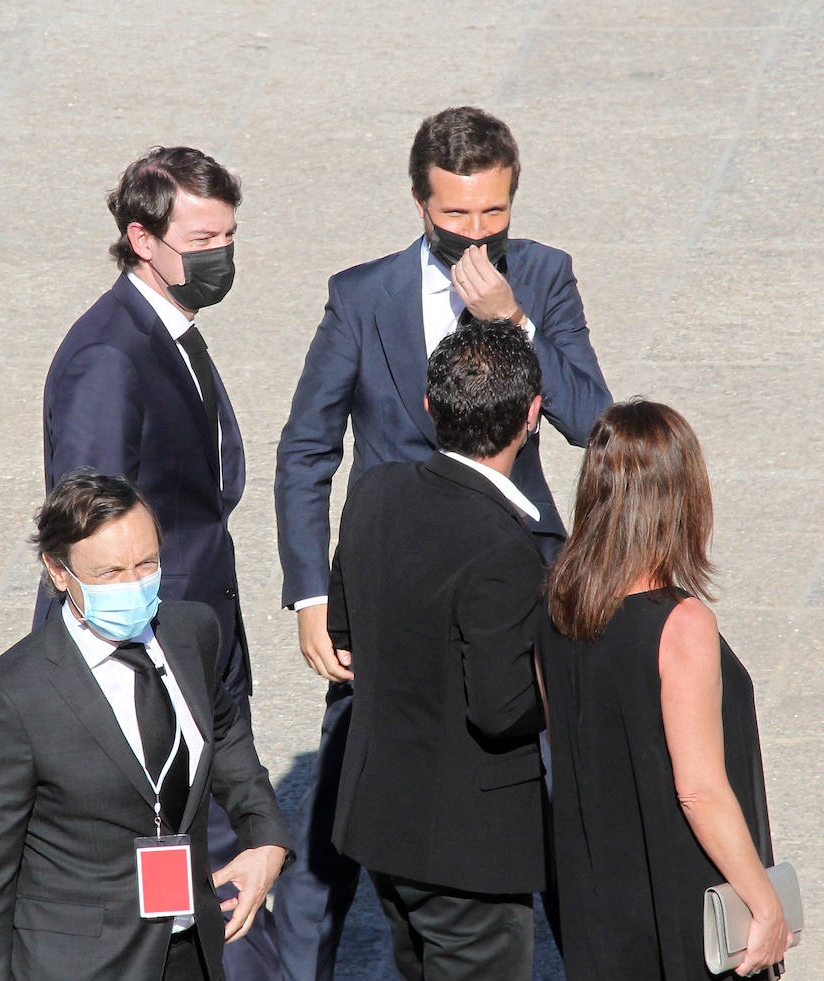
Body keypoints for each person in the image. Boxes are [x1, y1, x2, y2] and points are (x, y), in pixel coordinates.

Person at [272, 105, 611, 977]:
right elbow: (307, 447)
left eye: (493, 213)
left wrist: (514, 323)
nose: (475, 233)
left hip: (512, 573)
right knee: (346, 793)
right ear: (419, 200)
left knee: (558, 790)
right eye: (455, 214)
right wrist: (313, 595)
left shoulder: (542, 274)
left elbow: (593, 421)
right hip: (391, 584)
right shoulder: (362, 295)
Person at [37, 147, 279, 976]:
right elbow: (89, 525)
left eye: (229, 234)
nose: (222, 254)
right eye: (203, 236)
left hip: (195, 646)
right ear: (144, 239)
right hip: (152, 664)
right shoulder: (111, 357)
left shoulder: (168, 334)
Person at [0, 473, 291, 981]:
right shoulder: (9, 699)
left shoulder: (192, 631)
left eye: (147, 564)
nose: (132, 585)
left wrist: (265, 836)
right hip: (83, 964)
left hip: (193, 948)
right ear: (58, 570)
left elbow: (223, 733)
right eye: (109, 571)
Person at [537, 400, 794, 980]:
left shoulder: (554, 605)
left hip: (596, 901)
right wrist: (765, 902)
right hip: (684, 906)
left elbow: (557, 737)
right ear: (680, 498)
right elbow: (699, 790)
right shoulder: (681, 624)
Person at [326, 320, 550, 980]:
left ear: (430, 405)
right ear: (532, 415)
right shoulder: (504, 550)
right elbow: (501, 707)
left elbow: (346, 637)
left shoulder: (373, 493)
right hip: (468, 848)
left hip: (382, 822)